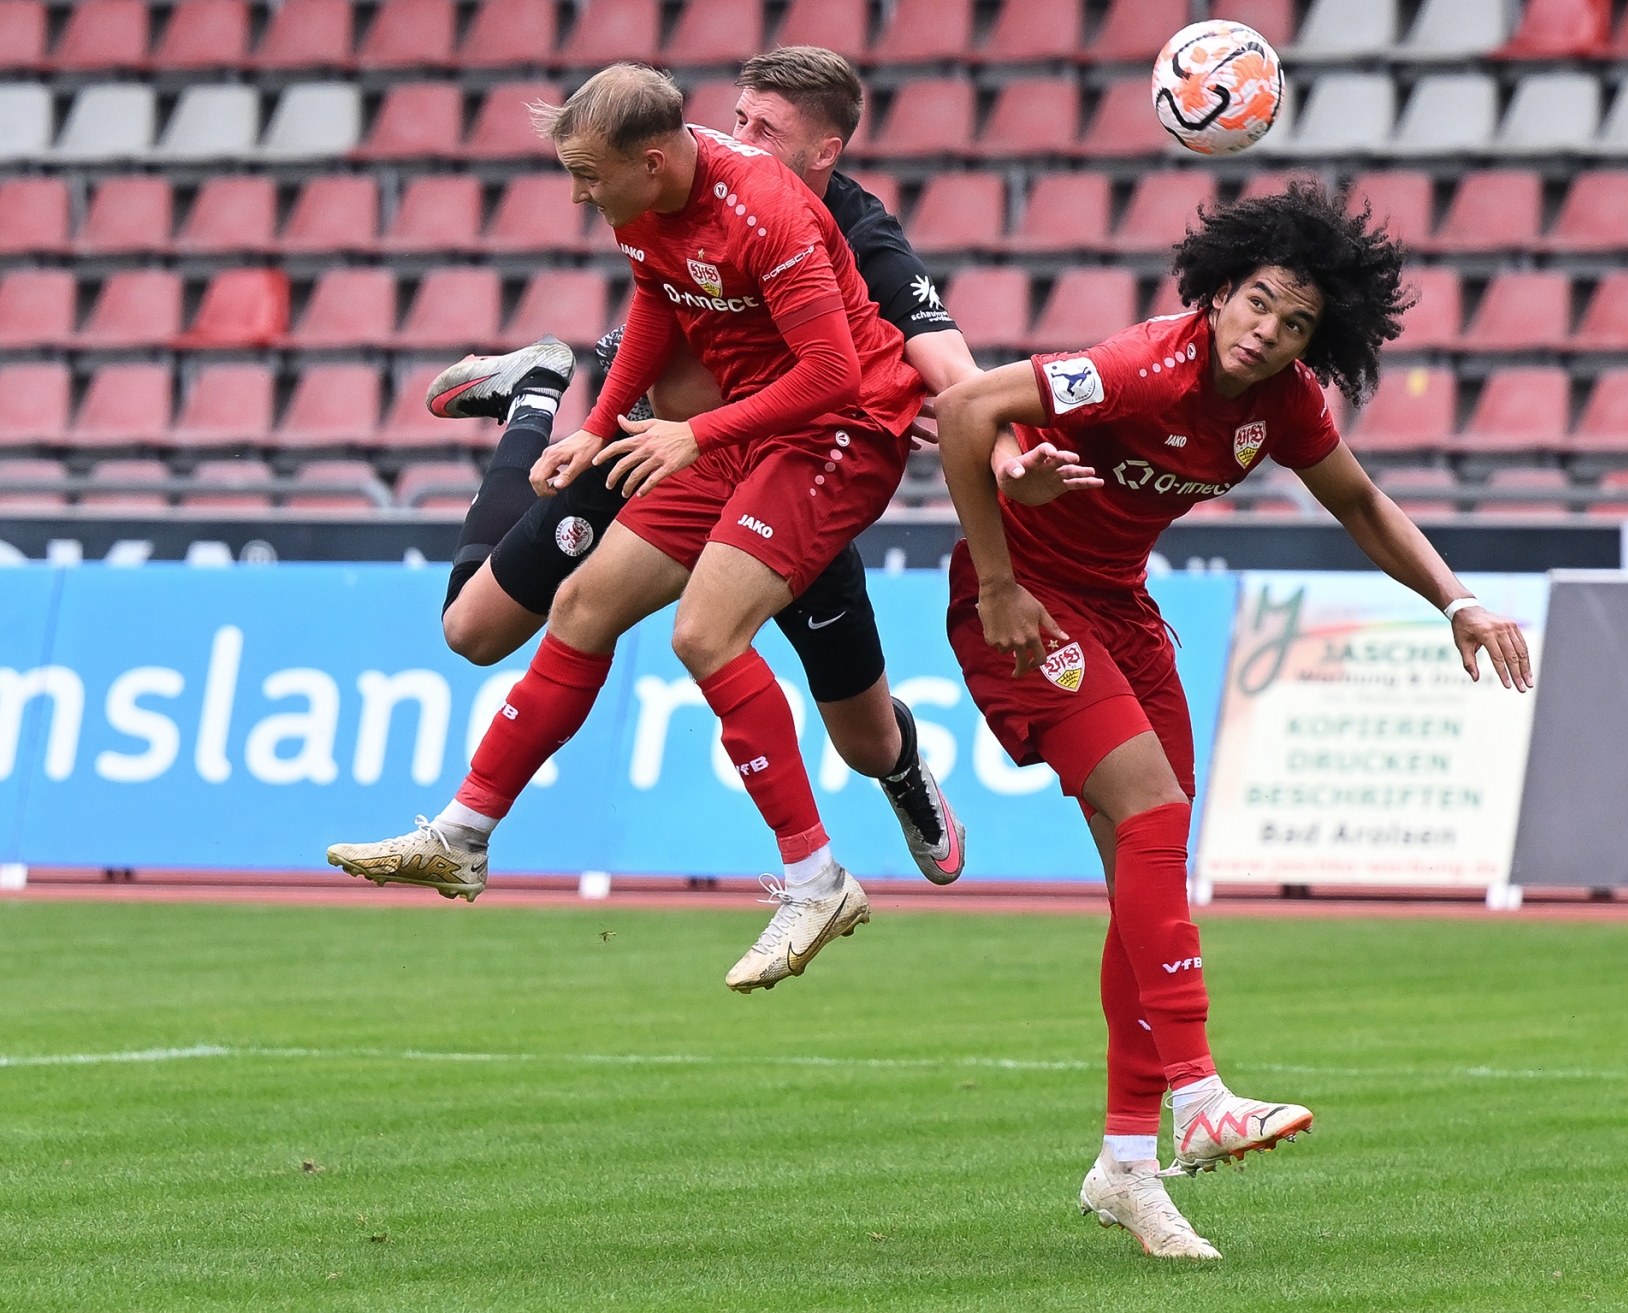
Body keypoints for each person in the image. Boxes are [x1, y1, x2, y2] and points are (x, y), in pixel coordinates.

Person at [935, 184, 1534, 1259]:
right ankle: (1201, 1095)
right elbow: (967, 410)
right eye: (1258, 301)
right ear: (1218, 291)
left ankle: (1127, 1165)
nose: (1268, 331)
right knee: (1154, 816)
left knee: (1147, 876)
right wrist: (996, 579)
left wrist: (1458, 600)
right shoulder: (1140, 365)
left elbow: (1360, 503)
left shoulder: (1284, 403)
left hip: (1123, 611)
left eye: (1297, 322)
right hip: (1027, 609)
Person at [329, 63, 926, 994]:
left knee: (704, 633)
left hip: (838, 432)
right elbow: (655, 298)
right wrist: (600, 424)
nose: (581, 196)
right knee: (583, 605)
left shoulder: (767, 213)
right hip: (737, 430)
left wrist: (694, 432)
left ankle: (818, 882)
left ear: (652, 161)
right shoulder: (644, 200)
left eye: (590, 177)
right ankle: (463, 833)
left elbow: (833, 376)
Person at [419, 47, 971, 887]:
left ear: (825, 151)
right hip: (656, 448)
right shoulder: (661, 178)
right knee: (474, 629)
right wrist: (597, 424)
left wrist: (988, 426)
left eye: (766, 128)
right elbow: (650, 301)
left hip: (788, 460)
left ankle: (895, 774)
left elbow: (932, 363)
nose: (739, 136)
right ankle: (535, 397)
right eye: (738, 116)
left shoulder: (852, 231)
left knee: (863, 741)